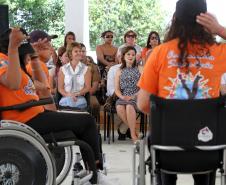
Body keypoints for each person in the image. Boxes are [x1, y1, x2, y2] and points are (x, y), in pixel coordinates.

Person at [137, 0, 226, 184]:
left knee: (160, 140)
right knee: (207, 140)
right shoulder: (218, 53)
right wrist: (220, 30)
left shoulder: (159, 53)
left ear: (175, 20)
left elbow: (143, 104)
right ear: (206, 21)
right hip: (208, 147)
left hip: (167, 147)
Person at [0, 28, 102, 175]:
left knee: (85, 121)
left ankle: (91, 169)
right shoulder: (3, 59)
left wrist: (34, 56)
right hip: (24, 119)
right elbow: (13, 84)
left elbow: (42, 85)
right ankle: (95, 171)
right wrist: (14, 47)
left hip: (35, 113)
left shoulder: (16, 64)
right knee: (87, 121)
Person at [115, 46, 143, 142]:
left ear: (135, 56)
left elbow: (144, 87)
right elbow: (117, 89)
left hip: (137, 95)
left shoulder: (140, 68)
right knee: (119, 106)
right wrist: (122, 96)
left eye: (133, 55)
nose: (131, 56)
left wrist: (134, 96)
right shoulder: (119, 71)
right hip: (124, 96)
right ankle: (134, 131)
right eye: (128, 54)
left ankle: (132, 135)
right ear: (123, 56)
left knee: (129, 106)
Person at [58, 42, 91, 109]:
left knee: (75, 106)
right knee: (68, 104)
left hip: (80, 98)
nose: (79, 53)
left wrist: (77, 94)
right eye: (76, 51)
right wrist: (69, 95)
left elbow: (87, 87)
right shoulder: (62, 69)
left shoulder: (86, 69)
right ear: (70, 54)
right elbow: (60, 88)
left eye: (80, 51)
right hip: (66, 98)